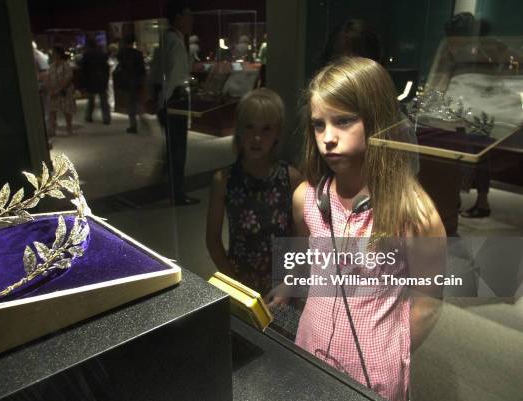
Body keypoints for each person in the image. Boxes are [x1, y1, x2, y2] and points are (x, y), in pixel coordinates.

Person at [269, 57, 445, 401]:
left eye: (344, 121)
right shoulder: (305, 199)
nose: (328, 139)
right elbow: (307, 254)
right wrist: (290, 282)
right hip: (310, 348)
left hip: (373, 371)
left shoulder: (415, 215)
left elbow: (428, 301)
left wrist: (393, 353)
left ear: (377, 121)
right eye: (319, 125)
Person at [206, 88, 302, 296]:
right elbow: (212, 239)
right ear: (238, 130)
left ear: (277, 132)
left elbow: (300, 238)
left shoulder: (291, 178)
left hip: (283, 284)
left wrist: (289, 282)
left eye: (266, 129)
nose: (257, 137)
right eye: (249, 127)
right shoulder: (223, 180)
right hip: (240, 280)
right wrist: (234, 283)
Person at [149, 0, 198, 206]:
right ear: (178, 17)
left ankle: (170, 188)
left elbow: (156, 72)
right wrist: (166, 102)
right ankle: (177, 194)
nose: (191, 20)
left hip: (167, 101)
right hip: (175, 102)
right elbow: (174, 77)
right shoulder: (176, 42)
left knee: (172, 148)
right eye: (188, 15)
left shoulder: (167, 38)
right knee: (178, 150)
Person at [114, 33, 146, 134]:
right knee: (137, 101)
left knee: (130, 104)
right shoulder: (138, 54)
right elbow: (142, 70)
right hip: (137, 81)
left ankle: (133, 126)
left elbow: (119, 66)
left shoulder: (121, 54)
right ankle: (142, 116)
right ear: (133, 43)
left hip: (126, 82)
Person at [45, 45, 75, 137]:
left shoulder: (65, 65)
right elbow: (48, 78)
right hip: (53, 91)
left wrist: (58, 90)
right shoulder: (52, 66)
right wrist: (50, 89)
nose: (52, 54)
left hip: (64, 91)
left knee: (67, 110)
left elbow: (68, 78)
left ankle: (69, 128)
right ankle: (53, 129)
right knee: (52, 110)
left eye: (54, 52)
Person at [81, 37, 111, 125]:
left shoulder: (86, 55)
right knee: (104, 100)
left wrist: (84, 82)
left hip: (91, 80)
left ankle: (88, 116)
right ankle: (106, 118)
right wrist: (106, 78)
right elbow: (106, 67)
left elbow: (84, 69)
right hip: (101, 79)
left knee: (91, 100)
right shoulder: (102, 54)